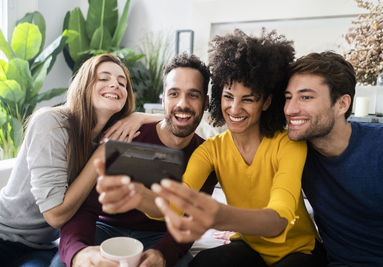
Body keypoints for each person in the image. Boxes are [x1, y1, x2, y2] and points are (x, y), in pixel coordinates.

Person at [126, 30, 326, 266]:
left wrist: (221, 216)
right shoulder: (211, 150)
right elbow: (175, 203)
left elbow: (278, 220)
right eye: (228, 96)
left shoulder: (288, 145)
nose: (234, 108)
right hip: (250, 247)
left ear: (266, 102)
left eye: (248, 99)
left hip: (298, 251)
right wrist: (136, 194)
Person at [0, 54, 160, 267]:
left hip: (42, 246)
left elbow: (176, 118)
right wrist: (100, 155)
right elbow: (55, 216)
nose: (115, 84)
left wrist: (137, 116)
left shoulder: (111, 135)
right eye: (103, 78)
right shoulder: (51, 123)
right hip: (4, 233)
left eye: (122, 83)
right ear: (84, 84)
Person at [59, 53, 218, 267]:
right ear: (164, 99)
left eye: (193, 95)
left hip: (162, 238)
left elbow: (189, 223)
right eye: (174, 94)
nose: (182, 103)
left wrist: (162, 255)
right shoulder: (128, 135)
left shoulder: (207, 156)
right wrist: (79, 253)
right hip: (105, 229)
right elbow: (85, 209)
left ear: (205, 102)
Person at [284, 51, 383, 267]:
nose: (290, 109)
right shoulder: (293, 152)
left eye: (306, 97)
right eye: (288, 97)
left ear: (342, 104)